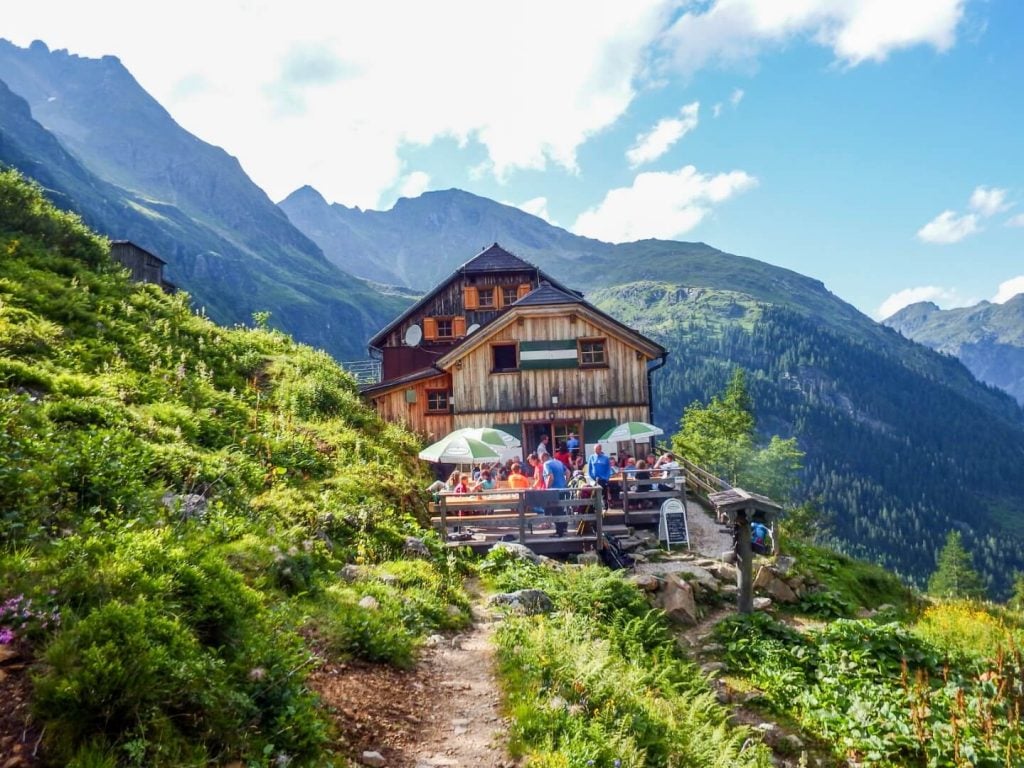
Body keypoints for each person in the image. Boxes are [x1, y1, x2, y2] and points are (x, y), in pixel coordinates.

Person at [542, 454, 569, 536]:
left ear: (544, 458)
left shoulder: (546, 464)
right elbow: (568, 472)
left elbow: (551, 477)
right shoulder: (558, 462)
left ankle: (559, 531)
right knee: (561, 509)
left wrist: (547, 487)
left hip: (553, 490)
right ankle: (564, 528)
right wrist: (565, 483)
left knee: (555, 511)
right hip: (562, 489)